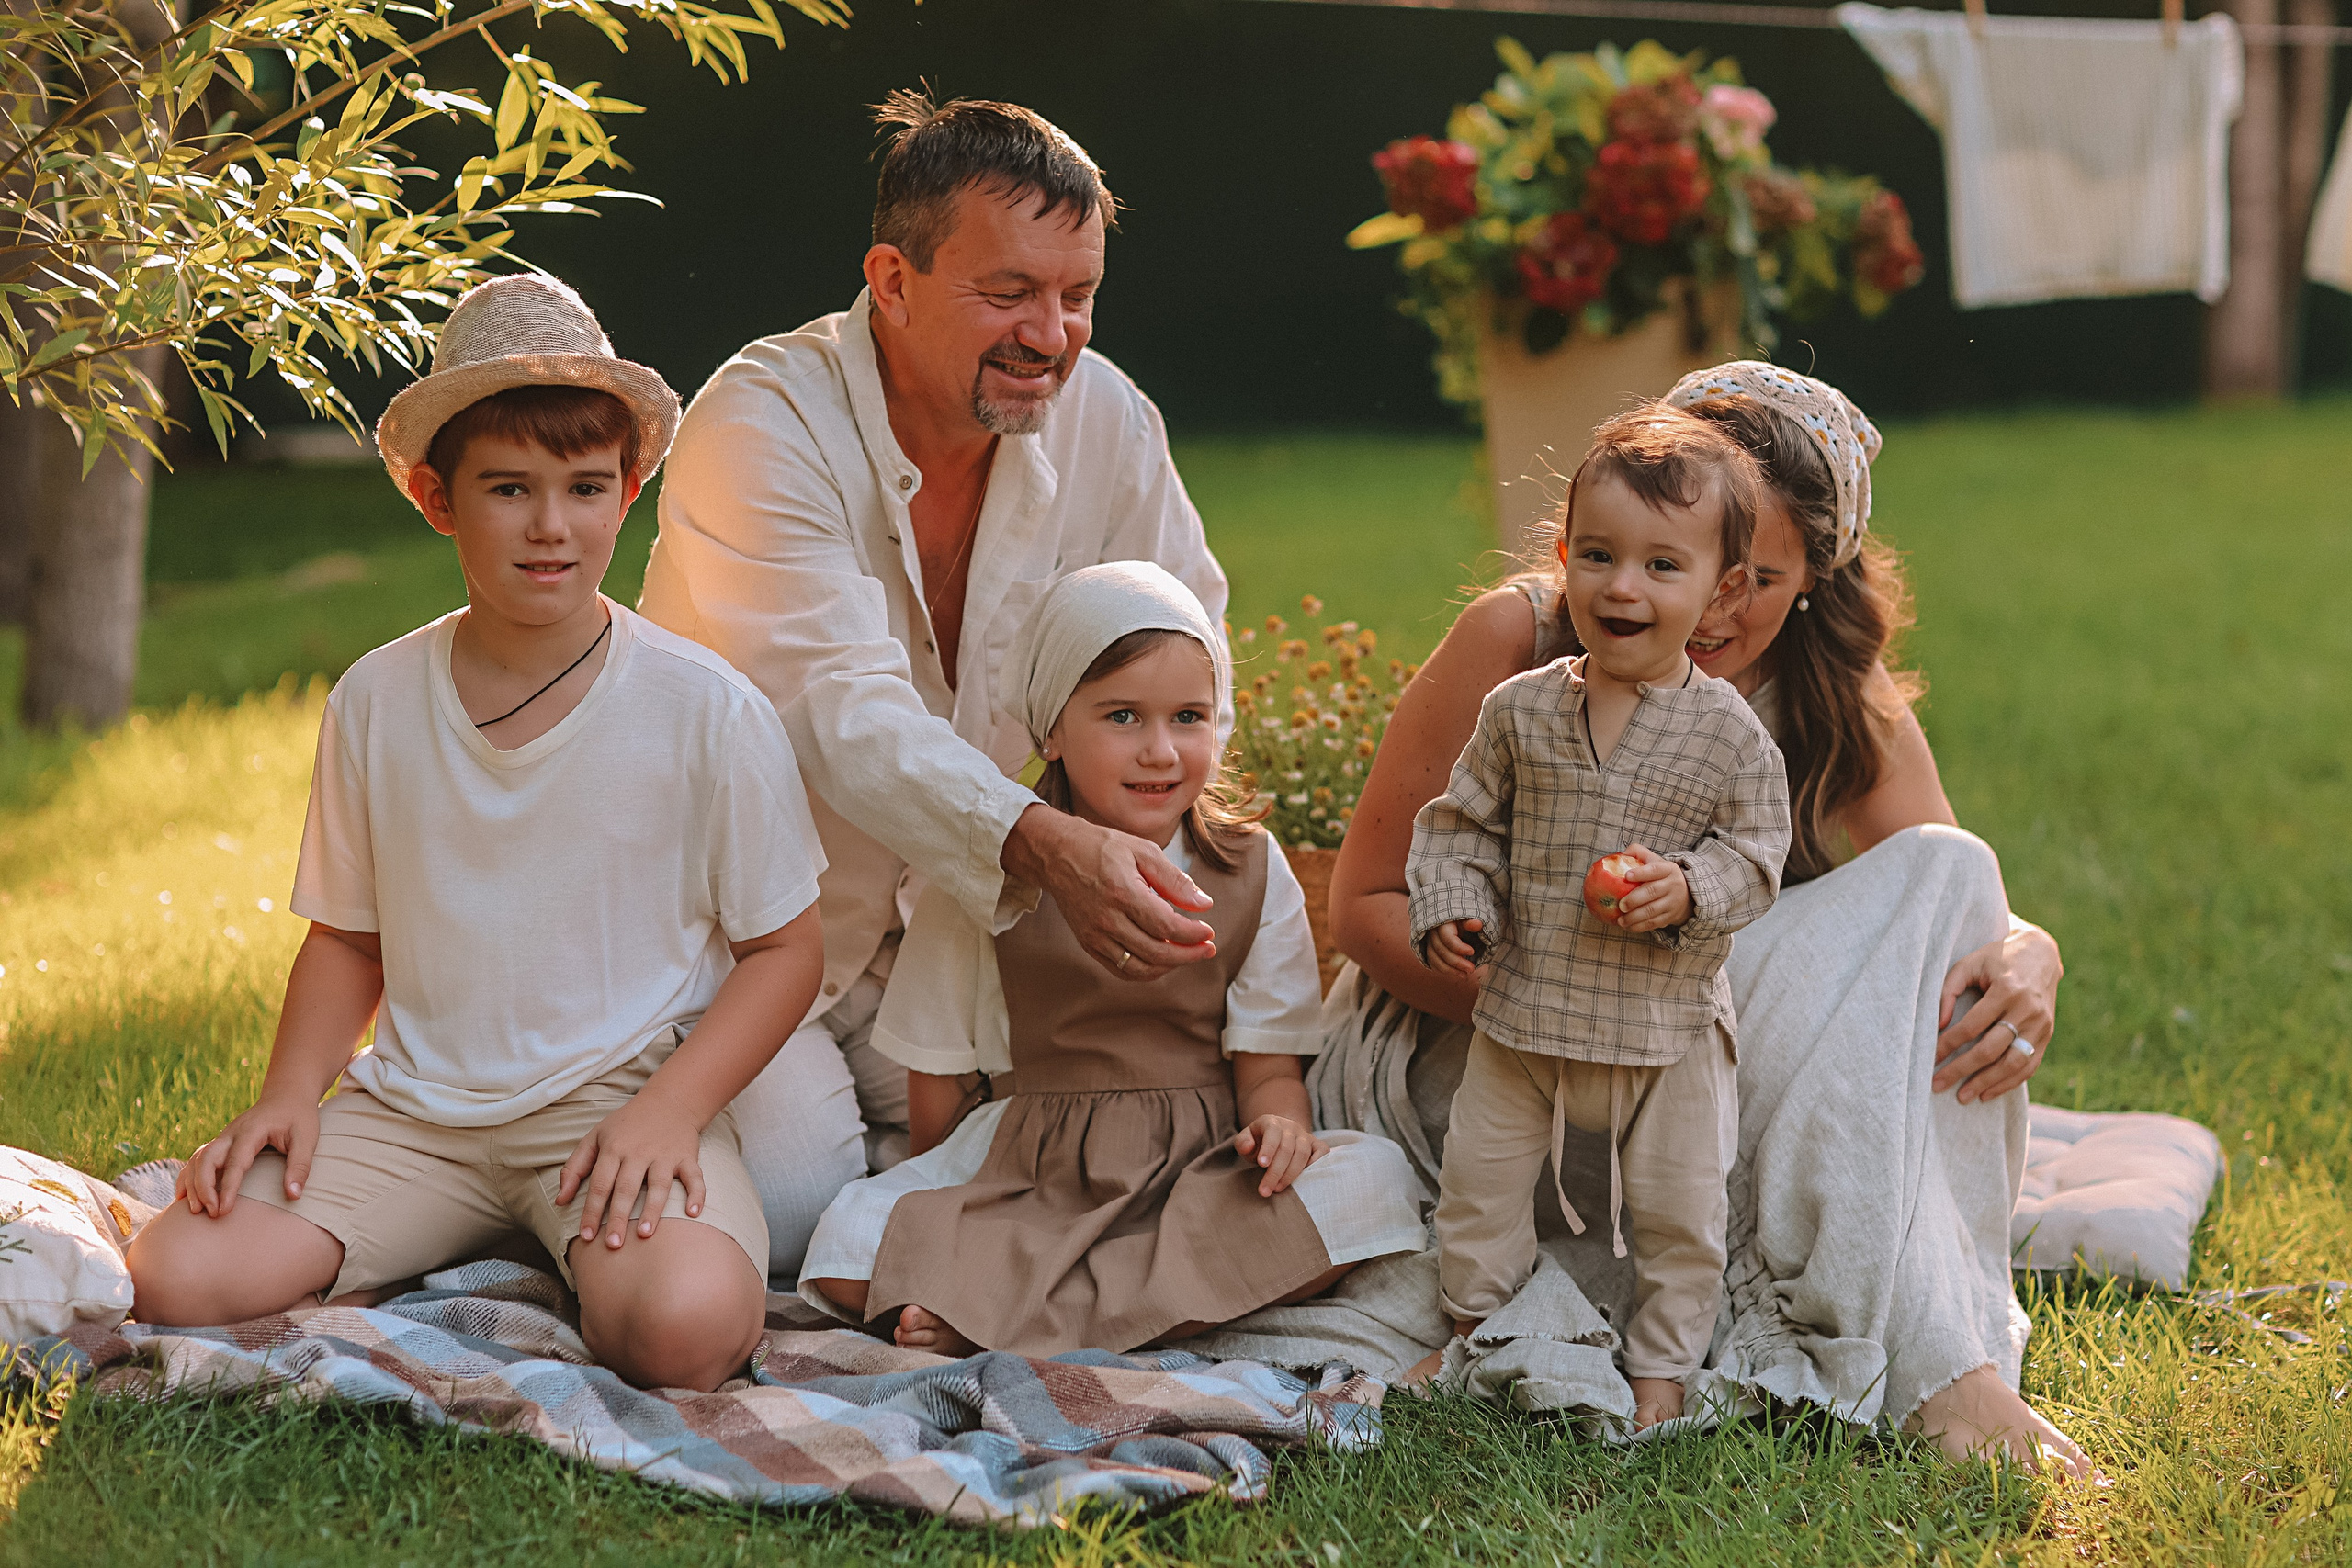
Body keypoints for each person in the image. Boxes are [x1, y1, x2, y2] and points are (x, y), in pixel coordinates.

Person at [1310, 362, 2094, 1476]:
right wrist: (1553, 988)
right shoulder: (1521, 645)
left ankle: (1946, 1365)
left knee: (1949, 871)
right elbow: (1362, 904)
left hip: (1685, 1067)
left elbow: (1950, 908)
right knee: (1922, 906)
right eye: (1694, 566)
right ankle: (1941, 1375)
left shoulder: (1831, 702)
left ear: (1814, 579)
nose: (1712, 610)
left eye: (1755, 579)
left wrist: (2034, 953)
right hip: (1491, 1064)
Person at [124, 275, 829, 1393]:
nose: (552, 525)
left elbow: (788, 952)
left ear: (628, 492)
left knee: (687, 1332)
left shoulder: (705, 708)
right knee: (174, 1274)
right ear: (436, 497)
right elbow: (348, 941)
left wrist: (670, 1116)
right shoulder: (375, 698)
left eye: (585, 488)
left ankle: (578, 1236)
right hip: (416, 1111)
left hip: (614, 1107)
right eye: (509, 488)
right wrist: (287, 1101)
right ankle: (481, 1230)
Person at [639, 92, 1229, 1276]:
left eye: (1078, 295)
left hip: (960, 934)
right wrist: (1055, 845)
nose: (1052, 335)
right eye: (1008, 293)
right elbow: (842, 716)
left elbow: (1191, 645)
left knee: (1120, 1156)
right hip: (744, 939)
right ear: (892, 281)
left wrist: (1160, 851)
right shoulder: (759, 421)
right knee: (805, 1211)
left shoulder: (1109, 419)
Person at [797, 564, 1421, 1355]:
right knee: (850, 1238)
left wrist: (1280, 1126)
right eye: (1123, 715)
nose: (1160, 751)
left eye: (1188, 717)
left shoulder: (1250, 872)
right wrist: (952, 1222)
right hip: (1033, 1171)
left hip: (1198, 1173)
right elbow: (941, 1086)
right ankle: (1147, 1303)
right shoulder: (986, 874)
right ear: (1052, 728)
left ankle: (1011, 1317)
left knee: (1374, 1184)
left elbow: (1267, 1067)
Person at [1410, 409, 1791, 1431]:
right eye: (1598, 556)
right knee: (1478, 1188)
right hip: (1525, 1015)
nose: (1624, 587)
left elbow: (1758, 856)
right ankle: (1479, 1328)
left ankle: (1661, 1365)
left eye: (1662, 565)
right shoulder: (1520, 710)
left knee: (1679, 1209)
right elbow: (1459, 825)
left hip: (1663, 1027)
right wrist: (1452, 906)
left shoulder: (1728, 734)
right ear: (1563, 560)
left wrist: (1689, 889)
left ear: (1717, 594)